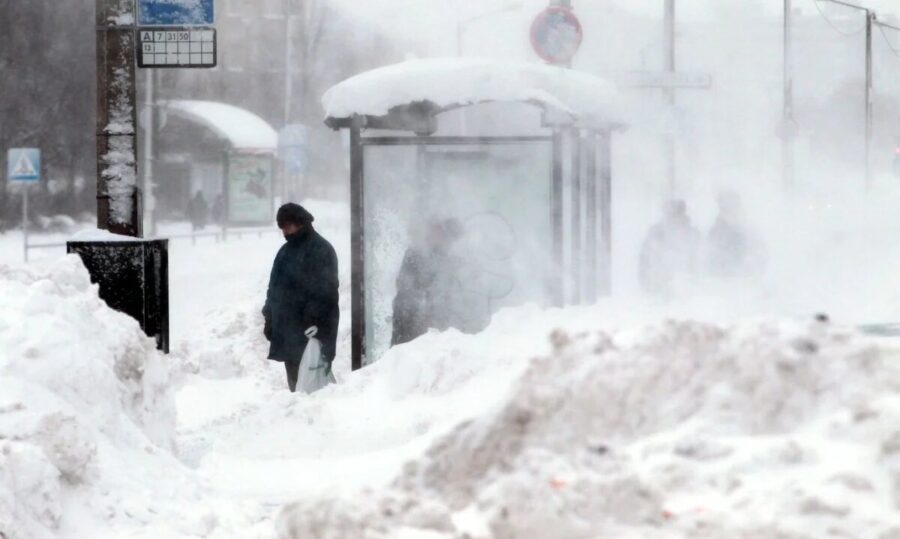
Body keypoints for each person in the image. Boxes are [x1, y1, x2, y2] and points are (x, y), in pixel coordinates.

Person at [262, 203, 339, 392]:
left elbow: (326, 289)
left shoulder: (320, 249)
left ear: (301, 222)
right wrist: (269, 316)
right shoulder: (285, 251)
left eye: (288, 225)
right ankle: (300, 413)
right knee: (296, 379)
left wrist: (313, 318)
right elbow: (274, 287)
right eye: (282, 227)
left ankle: (314, 417)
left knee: (312, 378)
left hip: (310, 329)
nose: (285, 231)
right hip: (288, 329)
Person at [391, 218, 465, 346]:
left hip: (439, 334)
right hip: (411, 332)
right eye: (438, 232)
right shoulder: (415, 255)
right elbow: (406, 288)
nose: (446, 241)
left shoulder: (447, 259)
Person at [638, 199, 701, 297]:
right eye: (670, 215)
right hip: (659, 292)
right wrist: (652, 287)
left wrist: (691, 283)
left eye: (676, 215)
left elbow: (699, 264)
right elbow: (644, 265)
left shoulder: (693, 235)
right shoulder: (655, 235)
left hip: (688, 293)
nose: (673, 219)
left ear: (682, 214)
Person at [705, 191, 765, 278]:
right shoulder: (716, 230)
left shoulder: (747, 228)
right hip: (725, 279)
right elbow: (710, 257)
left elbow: (761, 252)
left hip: (746, 278)